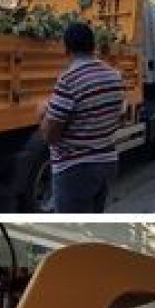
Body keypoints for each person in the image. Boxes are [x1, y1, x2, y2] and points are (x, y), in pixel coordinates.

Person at [39, 22, 126, 213]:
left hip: (75, 169)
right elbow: (119, 117)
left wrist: (44, 112)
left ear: (66, 49)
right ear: (93, 46)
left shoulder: (68, 80)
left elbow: (50, 135)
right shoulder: (115, 77)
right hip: (107, 163)